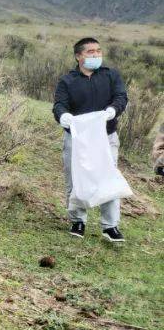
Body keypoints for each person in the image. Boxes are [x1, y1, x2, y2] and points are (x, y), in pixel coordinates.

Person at [52, 37, 128, 242]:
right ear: (78, 56)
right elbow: (59, 105)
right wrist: (63, 117)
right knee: (75, 178)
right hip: (77, 140)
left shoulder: (110, 75)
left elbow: (121, 96)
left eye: (98, 51)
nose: (96, 55)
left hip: (106, 137)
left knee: (108, 177)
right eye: (90, 52)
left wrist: (113, 110)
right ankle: (77, 220)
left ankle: (110, 226)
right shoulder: (67, 81)